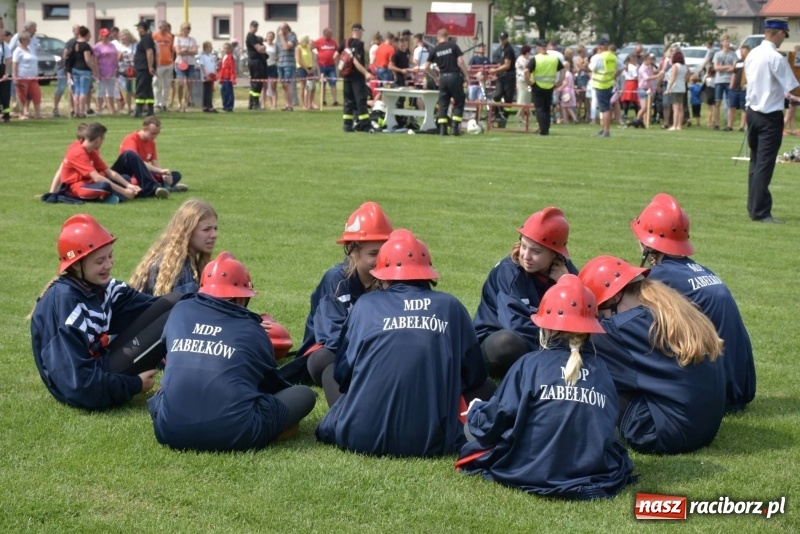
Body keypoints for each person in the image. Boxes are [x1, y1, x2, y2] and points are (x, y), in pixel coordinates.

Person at [315, 229, 494, 457]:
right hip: (434, 440)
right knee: (487, 387)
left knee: (329, 370)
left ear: (383, 274)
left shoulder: (365, 305)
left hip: (359, 436)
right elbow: (474, 375)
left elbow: (343, 374)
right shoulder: (450, 306)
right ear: (427, 272)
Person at [457, 274, 634, 500]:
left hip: (529, 469)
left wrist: (476, 412)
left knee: (471, 431)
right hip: (588, 471)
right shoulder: (602, 370)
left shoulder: (529, 364)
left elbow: (496, 420)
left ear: (545, 327)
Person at [148, 252, 316, 451]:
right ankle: (272, 432)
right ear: (240, 297)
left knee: (167, 392)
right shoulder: (252, 329)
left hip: (169, 431)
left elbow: (168, 358)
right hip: (236, 434)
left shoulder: (180, 311)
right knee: (305, 394)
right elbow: (271, 385)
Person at [30, 214, 180, 411]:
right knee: (173, 317)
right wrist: (134, 385)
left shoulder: (98, 287)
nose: (109, 265)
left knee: (177, 302)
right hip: (90, 382)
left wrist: (211, 301)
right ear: (76, 264)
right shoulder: (66, 303)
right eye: (100, 260)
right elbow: (79, 386)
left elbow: (154, 306)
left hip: (103, 366)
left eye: (110, 256)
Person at [579, 255, 726, 454]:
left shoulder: (619, 329)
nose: (599, 319)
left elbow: (571, 352)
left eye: (599, 312)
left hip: (663, 433)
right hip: (705, 428)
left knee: (590, 372)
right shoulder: (670, 307)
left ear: (615, 297)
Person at [632, 193, 756, 412]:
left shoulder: (660, 277)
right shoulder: (698, 269)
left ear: (649, 242)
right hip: (742, 384)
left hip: (721, 392)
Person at [280, 201, 393, 385]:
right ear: (353, 250)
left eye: (384, 253)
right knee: (324, 359)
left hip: (370, 351)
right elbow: (331, 336)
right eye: (373, 254)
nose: (380, 260)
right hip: (332, 354)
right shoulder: (336, 280)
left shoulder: (388, 279)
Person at [473, 207, 576, 376]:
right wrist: (560, 348)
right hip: (495, 342)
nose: (526, 256)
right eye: (524, 246)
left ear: (555, 254)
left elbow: (583, 316)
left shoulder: (565, 270)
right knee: (506, 343)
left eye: (536, 251)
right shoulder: (508, 272)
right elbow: (516, 325)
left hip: (541, 342)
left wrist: (568, 283)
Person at [745, 17, 800, 223]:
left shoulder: (753, 53)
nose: (782, 41)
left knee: (756, 163)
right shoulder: (775, 57)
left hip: (753, 113)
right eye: (782, 36)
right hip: (770, 117)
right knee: (765, 165)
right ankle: (761, 212)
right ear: (777, 33)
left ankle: (753, 207)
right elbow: (792, 86)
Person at [59, 122, 168, 202]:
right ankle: (120, 195)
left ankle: (122, 195)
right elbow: (97, 178)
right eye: (103, 138)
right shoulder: (78, 152)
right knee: (104, 186)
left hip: (92, 182)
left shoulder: (92, 151)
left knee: (124, 177)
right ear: (98, 139)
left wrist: (128, 185)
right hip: (77, 187)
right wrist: (124, 190)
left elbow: (109, 172)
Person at [131, 199, 217, 296]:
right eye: (206, 229)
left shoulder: (177, 260)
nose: (214, 235)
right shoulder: (181, 269)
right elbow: (189, 309)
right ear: (188, 231)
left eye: (215, 229)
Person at [119, 116, 187, 193]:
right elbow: (138, 163)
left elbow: (154, 161)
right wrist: (160, 171)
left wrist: (163, 175)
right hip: (132, 174)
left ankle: (162, 186)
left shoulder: (151, 142)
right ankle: (161, 187)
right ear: (145, 129)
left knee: (176, 175)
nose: (155, 136)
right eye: (153, 133)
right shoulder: (131, 140)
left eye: (157, 134)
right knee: (133, 180)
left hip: (146, 173)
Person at [424, 29, 470, 136]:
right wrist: (467, 75)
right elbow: (461, 61)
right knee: (459, 102)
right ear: (448, 36)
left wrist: (435, 77)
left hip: (443, 78)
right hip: (454, 77)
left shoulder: (435, 49)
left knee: (443, 104)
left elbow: (426, 67)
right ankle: (454, 129)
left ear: (437, 37)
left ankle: (442, 130)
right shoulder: (453, 46)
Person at [340, 23, 373, 132]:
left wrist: (340, 69)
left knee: (348, 101)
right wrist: (366, 73)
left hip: (346, 76)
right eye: (361, 31)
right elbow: (355, 61)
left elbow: (335, 56)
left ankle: (347, 125)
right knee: (361, 101)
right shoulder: (359, 44)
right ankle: (365, 125)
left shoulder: (345, 42)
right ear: (359, 31)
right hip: (357, 76)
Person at [527, 39, 563, 136]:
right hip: (550, 86)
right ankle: (546, 129)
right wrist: (560, 81)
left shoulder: (535, 59)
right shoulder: (554, 58)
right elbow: (563, 69)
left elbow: (526, 71)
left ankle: (542, 130)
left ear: (538, 48)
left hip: (537, 86)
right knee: (547, 108)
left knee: (539, 109)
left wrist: (529, 82)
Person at [589, 38, 623, 137]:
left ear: (599, 46)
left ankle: (606, 131)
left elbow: (591, 68)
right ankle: (603, 129)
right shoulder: (612, 56)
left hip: (600, 84)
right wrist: (613, 76)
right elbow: (621, 67)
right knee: (606, 107)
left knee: (605, 109)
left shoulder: (598, 57)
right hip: (609, 84)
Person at [11, 31, 42, 120]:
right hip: (22, 77)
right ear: (22, 40)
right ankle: (22, 113)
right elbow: (15, 65)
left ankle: (38, 113)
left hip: (33, 77)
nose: (29, 41)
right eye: (27, 39)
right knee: (22, 96)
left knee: (36, 94)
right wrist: (15, 78)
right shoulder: (17, 51)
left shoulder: (30, 49)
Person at [490, 31, 516, 127]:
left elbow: (507, 65)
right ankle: (495, 114)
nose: (502, 40)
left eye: (504, 39)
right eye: (501, 39)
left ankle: (504, 118)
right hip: (502, 76)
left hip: (509, 76)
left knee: (508, 99)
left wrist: (495, 70)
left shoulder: (508, 49)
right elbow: (501, 63)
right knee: (497, 95)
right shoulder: (501, 49)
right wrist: (494, 68)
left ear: (507, 38)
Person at [712, 35, 737, 131]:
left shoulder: (733, 55)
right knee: (717, 102)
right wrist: (727, 67)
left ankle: (729, 125)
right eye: (726, 41)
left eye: (728, 41)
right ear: (722, 43)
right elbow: (716, 68)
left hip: (729, 80)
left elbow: (734, 67)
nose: (727, 43)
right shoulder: (717, 54)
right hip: (719, 80)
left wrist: (724, 68)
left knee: (730, 103)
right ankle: (716, 123)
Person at [173, 22, 197, 112]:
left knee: (189, 84)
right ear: (182, 29)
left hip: (190, 63)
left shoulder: (192, 40)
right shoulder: (177, 39)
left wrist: (186, 50)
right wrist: (188, 51)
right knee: (180, 83)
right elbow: (178, 51)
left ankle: (186, 104)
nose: (187, 30)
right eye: (186, 28)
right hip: (180, 63)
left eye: (189, 28)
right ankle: (179, 103)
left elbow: (195, 51)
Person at [134, 21, 157, 117]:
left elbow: (150, 52)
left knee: (141, 88)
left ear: (143, 29)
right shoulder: (147, 39)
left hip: (143, 68)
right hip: (144, 67)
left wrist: (150, 66)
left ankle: (139, 110)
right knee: (148, 89)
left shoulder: (146, 39)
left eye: (139, 28)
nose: (138, 30)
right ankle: (150, 110)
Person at [94, 28, 118, 115]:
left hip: (112, 71)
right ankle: (99, 108)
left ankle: (112, 108)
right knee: (101, 90)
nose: (107, 37)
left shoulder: (112, 45)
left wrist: (116, 68)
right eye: (105, 36)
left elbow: (115, 57)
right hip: (102, 71)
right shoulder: (97, 47)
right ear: (101, 36)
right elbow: (95, 60)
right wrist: (97, 72)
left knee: (111, 90)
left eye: (108, 35)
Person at [152, 20, 174, 112]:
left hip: (168, 63)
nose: (165, 28)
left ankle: (163, 104)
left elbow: (171, 49)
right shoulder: (155, 36)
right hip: (159, 64)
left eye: (166, 27)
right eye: (163, 27)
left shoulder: (169, 37)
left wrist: (172, 60)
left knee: (167, 85)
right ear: (160, 27)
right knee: (157, 84)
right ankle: (157, 103)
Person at [665, 50, 689, 131]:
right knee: (681, 108)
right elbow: (688, 74)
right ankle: (679, 125)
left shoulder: (675, 66)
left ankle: (674, 126)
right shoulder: (685, 66)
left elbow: (673, 78)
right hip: (682, 87)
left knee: (675, 108)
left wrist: (668, 89)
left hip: (675, 87)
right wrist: (684, 81)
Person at [245, 21, 267, 110]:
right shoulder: (251, 36)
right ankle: (255, 103)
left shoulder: (254, 37)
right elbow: (260, 49)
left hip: (258, 61)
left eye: (256, 26)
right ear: (250, 26)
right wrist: (264, 46)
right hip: (255, 62)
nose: (255, 28)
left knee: (255, 82)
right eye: (254, 26)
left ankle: (251, 103)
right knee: (257, 83)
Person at [727, 44, 749, 132]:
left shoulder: (750, 61)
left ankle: (742, 126)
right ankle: (729, 126)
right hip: (735, 88)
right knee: (731, 107)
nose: (741, 52)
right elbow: (734, 73)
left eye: (743, 50)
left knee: (743, 108)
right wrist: (731, 85)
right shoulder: (738, 62)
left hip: (744, 88)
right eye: (741, 50)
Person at [276, 23, 297, 111]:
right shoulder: (279, 40)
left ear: (287, 29)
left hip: (289, 64)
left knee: (287, 84)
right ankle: (286, 104)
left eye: (283, 28)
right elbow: (278, 51)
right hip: (280, 64)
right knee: (283, 85)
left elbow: (286, 47)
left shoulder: (292, 37)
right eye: (280, 28)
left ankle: (290, 105)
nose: (281, 30)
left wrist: (281, 37)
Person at [315, 28, 338, 106]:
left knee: (333, 82)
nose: (331, 35)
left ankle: (335, 100)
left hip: (332, 66)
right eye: (329, 33)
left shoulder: (333, 42)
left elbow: (337, 52)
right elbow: (314, 51)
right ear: (325, 34)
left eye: (331, 34)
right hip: (322, 66)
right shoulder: (318, 42)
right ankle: (323, 100)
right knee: (322, 83)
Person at [117, 29, 137, 116]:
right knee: (126, 88)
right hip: (122, 69)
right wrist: (120, 56)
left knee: (129, 88)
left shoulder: (134, 45)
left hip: (132, 69)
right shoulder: (119, 46)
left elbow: (137, 56)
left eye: (124, 36)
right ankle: (131, 106)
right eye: (121, 37)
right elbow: (117, 59)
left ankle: (133, 106)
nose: (122, 38)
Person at [295, 35, 317, 110]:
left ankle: (310, 103)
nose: (308, 43)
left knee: (311, 87)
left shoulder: (308, 48)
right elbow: (299, 60)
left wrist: (313, 68)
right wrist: (306, 69)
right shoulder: (299, 48)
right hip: (302, 68)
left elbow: (312, 57)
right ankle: (304, 104)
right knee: (303, 86)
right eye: (307, 41)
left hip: (310, 68)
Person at [197, 41, 217, 113]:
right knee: (207, 91)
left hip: (212, 76)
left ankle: (209, 105)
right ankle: (206, 106)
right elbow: (202, 66)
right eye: (210, 47)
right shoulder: (202, 56)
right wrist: (206, 75)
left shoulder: (211, 56)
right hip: (206, 77)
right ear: (206, 48)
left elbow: (214, 65)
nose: (211, 49)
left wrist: (215, 73)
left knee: (210, 91)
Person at [218, 42, 237, 112]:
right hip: (223, 77)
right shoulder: (224, 57)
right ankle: (225, 105)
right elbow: (222, 68)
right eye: (224, 48)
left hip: (228, 77)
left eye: (227, 48)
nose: (225, 50)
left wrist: (232, 78)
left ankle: (229, 106)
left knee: (229, 92)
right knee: (223, 92)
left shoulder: (230, 57)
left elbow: (232, 68)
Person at [263, 31, 278, 109]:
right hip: (265, 66)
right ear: (266, 37)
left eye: (271, 36)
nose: (270, 37)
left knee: (273, 86)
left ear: (273, 37)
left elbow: (278, 55)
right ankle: (263, 104)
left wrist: (277, 58)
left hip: (273, 66)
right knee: (264, 87)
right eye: (269, 36)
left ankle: (274, 105)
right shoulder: (263, 44)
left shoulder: (275, 46)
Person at [0, 26, 10, 123]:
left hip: (2, 71)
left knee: (5, 95)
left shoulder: (5, 46)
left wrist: (6, 73)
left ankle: (6, 115)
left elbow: (8, 60)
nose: (3, 37)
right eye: (1, 35)